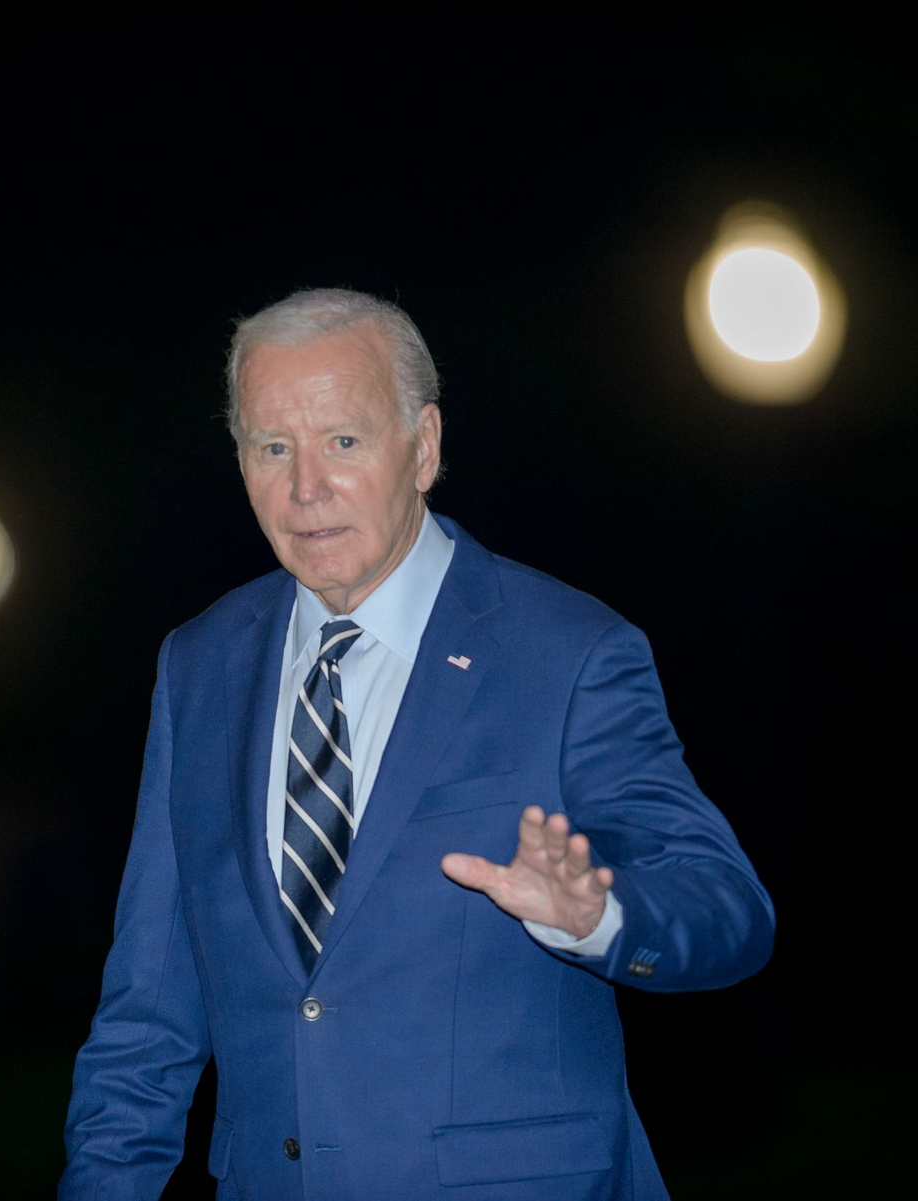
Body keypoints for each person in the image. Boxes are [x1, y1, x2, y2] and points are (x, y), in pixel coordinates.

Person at [59, 288, 774, 1201]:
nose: (305, 487)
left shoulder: (568, 652)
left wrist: (597, 915)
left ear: (424, 446)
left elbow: (730, 910)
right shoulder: (199, 665)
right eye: (273, 448)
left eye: (342, 441)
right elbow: (146, 1015)